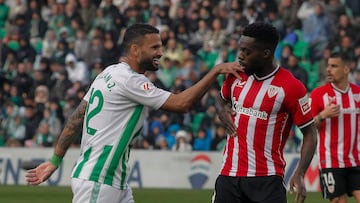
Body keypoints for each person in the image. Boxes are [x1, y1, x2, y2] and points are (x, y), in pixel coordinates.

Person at [25, 23, 242, 203]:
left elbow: (77, 117)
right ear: (135, 50)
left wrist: (55, 159)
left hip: (115, 182)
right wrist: (215, 71)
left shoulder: (107, 73)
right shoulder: (130, 80)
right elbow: (181, 103)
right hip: (98, 181)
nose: (161, 52)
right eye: (154, 47)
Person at [212, 22, 318, 203]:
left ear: (266, 53)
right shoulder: (235, 75)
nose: (240, 55)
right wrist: (222, 111)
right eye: (240, 49)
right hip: (228, 176)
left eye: (247, 51)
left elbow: (310, 133)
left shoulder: (291, 87)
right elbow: (221, 99)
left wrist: (299, 172)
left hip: (267, 180)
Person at [309, 52, 360, 203]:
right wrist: (322, 115)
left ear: (346, 69)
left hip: (356, 159)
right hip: (331, 161)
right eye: (328, 66)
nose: (328, 70)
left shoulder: (358, 94)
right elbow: (306, 127)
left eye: (334, 66)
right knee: (339, 201)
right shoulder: (318, 94)